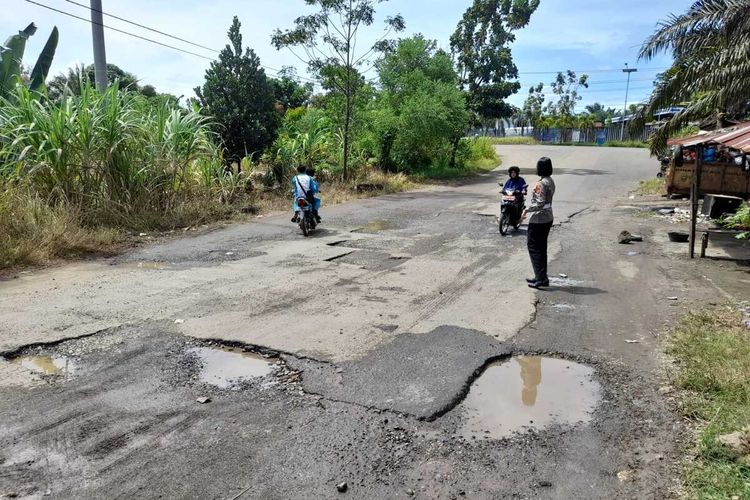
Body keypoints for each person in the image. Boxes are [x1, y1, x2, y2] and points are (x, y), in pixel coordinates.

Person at [524, 157, 555, 289]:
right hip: (548, 217)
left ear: (540, 168)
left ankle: (540, 278)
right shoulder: (550, 181)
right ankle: (541, 276)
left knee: (534, 247)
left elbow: (539, 203)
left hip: (539, 219)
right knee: (541, 248)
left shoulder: (541, 183)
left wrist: (526, 210)